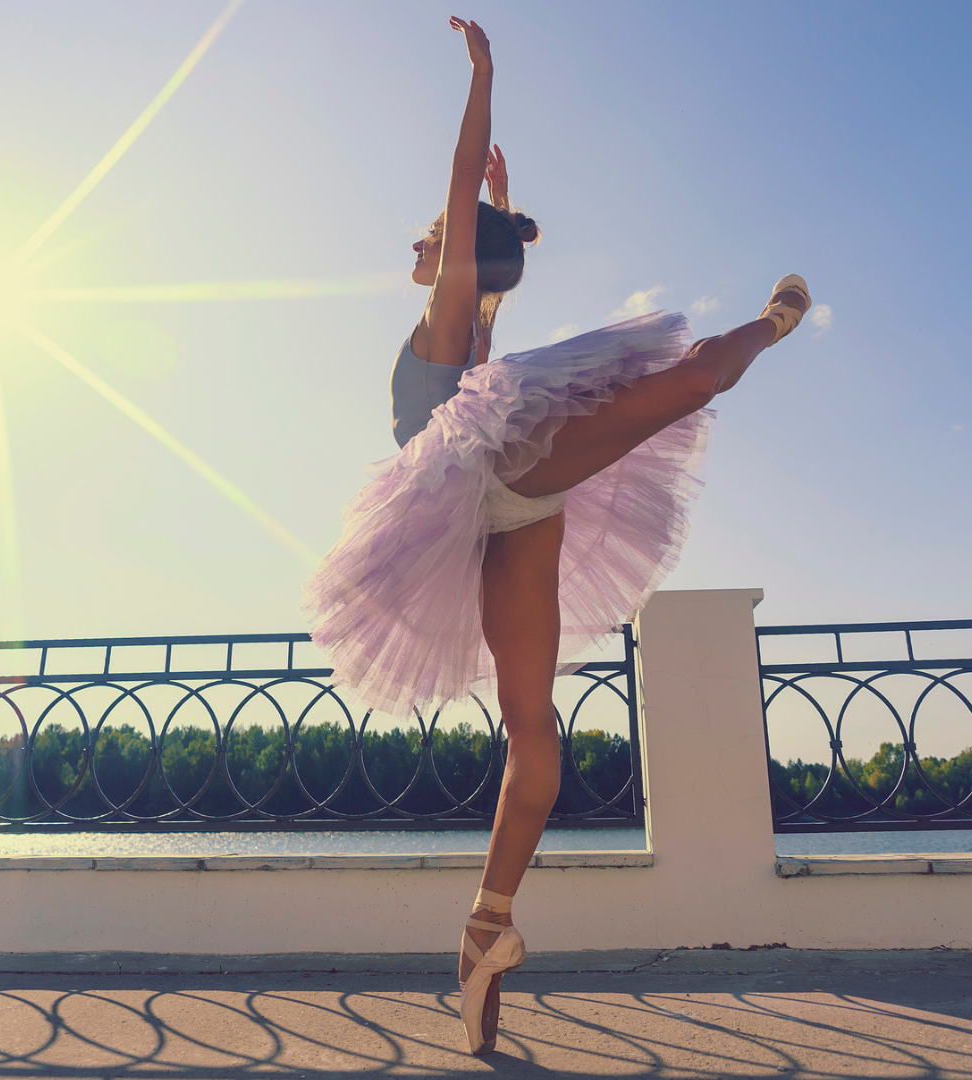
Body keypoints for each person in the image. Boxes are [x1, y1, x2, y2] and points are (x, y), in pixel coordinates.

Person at [302, 16, 810, 1055]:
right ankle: (488, 928)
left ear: (453, 259)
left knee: (694, 376)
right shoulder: (466, 319)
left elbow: (455, 193)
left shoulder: (451, 312)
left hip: (502, 478)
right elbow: (485, 260)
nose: (415, 241)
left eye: (429, 236)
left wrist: (483, 80)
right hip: (497, 504)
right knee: (531, 731)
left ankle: (772, 323)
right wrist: (496, 211)